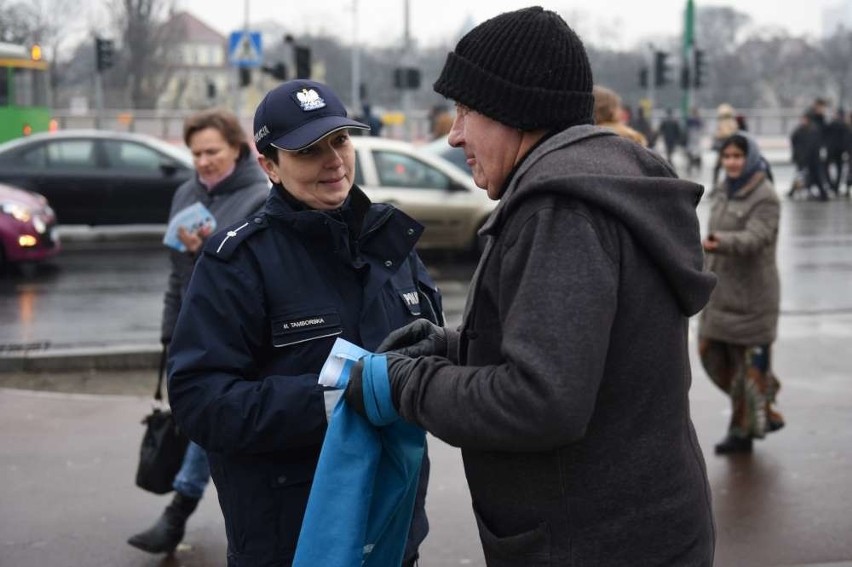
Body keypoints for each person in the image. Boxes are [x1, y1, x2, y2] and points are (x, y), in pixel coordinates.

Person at [343, 7, 716, 565]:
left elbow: (541, 403)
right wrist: (453, 347)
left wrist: (407, 385)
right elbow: (592, 359)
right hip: (637, 525)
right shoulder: (603, 182)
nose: (454, 134)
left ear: (516, 109)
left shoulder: (561, 211)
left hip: (589, 541)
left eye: (466, 110)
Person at [166, 79, 442, 567]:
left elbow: (425, 361)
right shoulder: (238, 261)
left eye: (339, 139)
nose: (333, 160)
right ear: (269, 166)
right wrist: (335, 400)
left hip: (394, 529)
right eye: (309, 150)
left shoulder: (391, 241)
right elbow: (200, 401)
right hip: (291, 539)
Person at [127, 108, 269, 555]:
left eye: (213, 151)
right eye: (196, 154)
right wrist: (168, 333)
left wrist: (205, 249)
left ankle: (179, 514)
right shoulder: (186, 193)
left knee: (215, 421)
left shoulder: (258, 197)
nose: (204, 161)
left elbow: (254, 270)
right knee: (205, 421)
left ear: (237, 148)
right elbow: (176, 274)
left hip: (240, 334)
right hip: (192, 330)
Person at [699, 131, 784, 455]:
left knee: (746, 371)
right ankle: (764, 394)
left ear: (749, 159)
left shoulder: (765, 197)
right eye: (727, 156)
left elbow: (757, 238)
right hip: (721, 296)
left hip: (752, 299)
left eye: (737, 156)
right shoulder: (722, 191)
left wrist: (723, 241)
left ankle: (742, 434)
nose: (731, 162)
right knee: (711, 357)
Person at [711, 103, 740, 186]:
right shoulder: (733, 123)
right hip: (727, 148)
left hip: (724, 149)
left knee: (719, 168)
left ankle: (716, 185)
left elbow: (719, 135)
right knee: (725, 168)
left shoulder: (724, 124)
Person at [824, 108, 849, 193]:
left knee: (827, 168)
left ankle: (833, 186)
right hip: (838, 150)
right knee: (839, 169)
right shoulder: (844, 126)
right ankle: (835, 186)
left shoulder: (832, 124)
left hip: (832, 150)